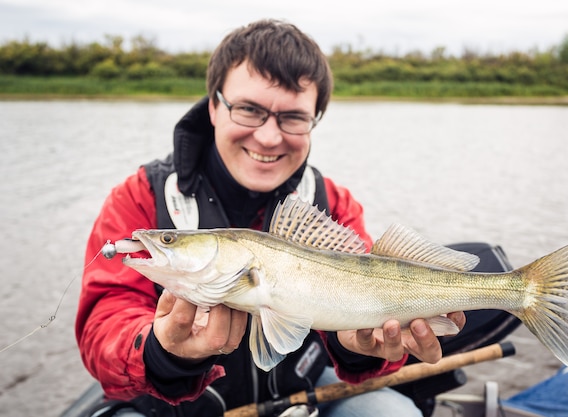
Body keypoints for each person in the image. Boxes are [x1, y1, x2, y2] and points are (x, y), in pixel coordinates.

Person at [76, 19, 466, 417]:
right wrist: (163, 350)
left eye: (293, 117)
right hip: (168, 405)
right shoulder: (141, 195)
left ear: (315, 120)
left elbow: (367, 317)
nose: (267, 137)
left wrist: (360, 351)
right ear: (214, 106)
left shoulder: (331, 201)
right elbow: (104, 320)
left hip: (304, 387)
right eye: (248, 110)